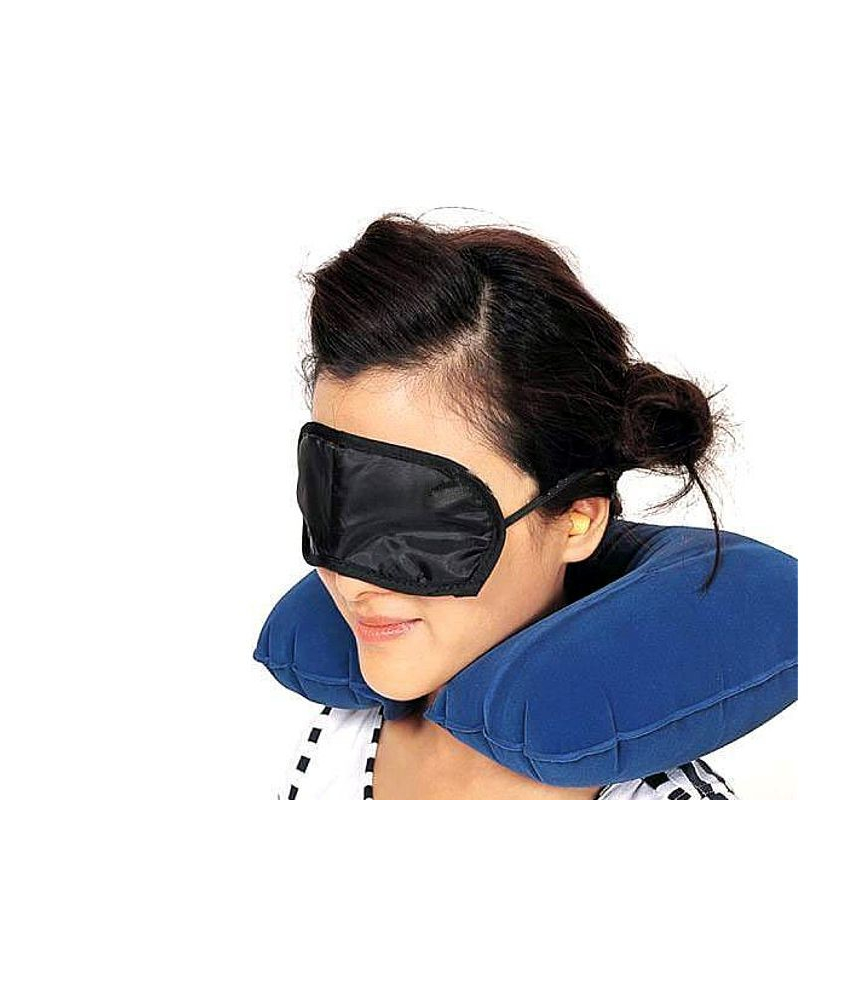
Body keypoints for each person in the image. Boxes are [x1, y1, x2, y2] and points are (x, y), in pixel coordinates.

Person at [277, 212, 737, 800]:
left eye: (427, 524)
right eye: (334, 506)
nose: (352, 582)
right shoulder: (337, 738)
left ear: (577, 519)